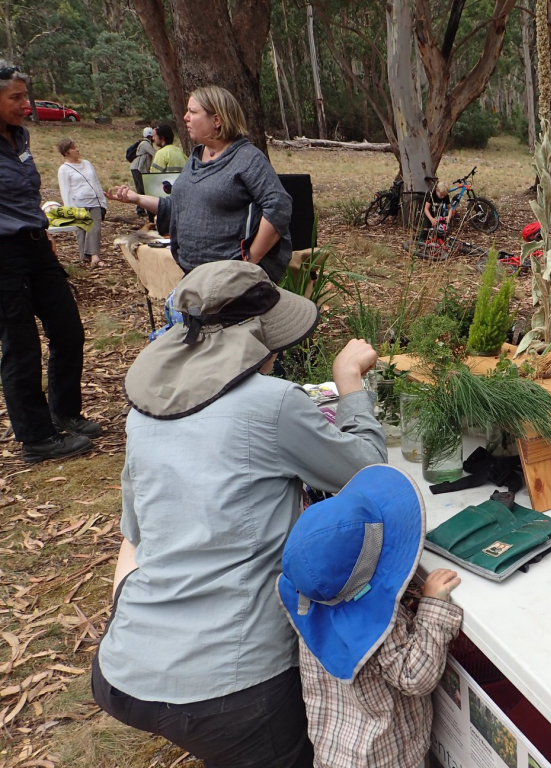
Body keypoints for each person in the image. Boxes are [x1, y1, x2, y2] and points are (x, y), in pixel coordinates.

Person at [91, 260, 387, 767]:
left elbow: (135, 533)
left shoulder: (146, 410)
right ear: (254, 342)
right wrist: (350, 384)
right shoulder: (271, 404)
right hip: (232, 685)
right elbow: (369, 473)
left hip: (124, 666)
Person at [278, 465, 463, 768]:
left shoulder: (312, 598)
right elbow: (415, 676)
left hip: (333, 750)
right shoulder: (375, 626)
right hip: (384, 758)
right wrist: (432, 606)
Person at [0, 62, 99, 463]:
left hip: (35, 244)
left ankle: (65, 412)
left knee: (67, 329)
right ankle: (37, 437)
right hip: (3, 254)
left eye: (26, 95)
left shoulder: (19, 137)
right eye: (16, 98)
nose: (27, 104)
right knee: (20, 344)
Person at [105, 86, 293, 283]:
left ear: (217, 120)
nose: (185, 117)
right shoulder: (196, 157)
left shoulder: (247, 158)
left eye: (193, 112)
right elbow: (182, 207)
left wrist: (251, 259)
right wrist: (136, 198)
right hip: (194, 277)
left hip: (231, 282)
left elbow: (278, 206)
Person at [57, 138, 107, 267]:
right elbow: (65, 191)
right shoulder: (64, 169)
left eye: (76, 147)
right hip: (79, 203)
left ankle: (95, 256)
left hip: (94, 201)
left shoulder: (87, 163)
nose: (77, 149)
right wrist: (71, 210)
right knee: (82, 231)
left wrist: (102, 201)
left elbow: (96, 182)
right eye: (73, 148)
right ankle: (85, 257)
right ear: (66, 152)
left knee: (95, 228)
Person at [130, 127, 155, 219]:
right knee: (142, 189)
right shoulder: (145, 144)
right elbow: (155, 153)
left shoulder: (146, 143)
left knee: (141, 189)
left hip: (139, 168)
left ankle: (141, 209)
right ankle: (142, 210)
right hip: (138, 168)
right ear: (149, 136)